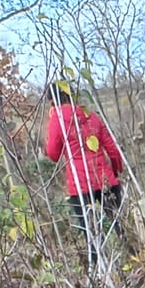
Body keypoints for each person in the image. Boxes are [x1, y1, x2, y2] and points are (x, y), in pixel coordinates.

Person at [43, 80, 124, 264]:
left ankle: (98, 269)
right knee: (118, 225)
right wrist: (116, 171)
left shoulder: (58, 119)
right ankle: (130, 257)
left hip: (80, 186)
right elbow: (112, 149)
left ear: (52, 100)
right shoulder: (91, 115)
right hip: (105, 180)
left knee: (91, 234)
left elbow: (53, 154)